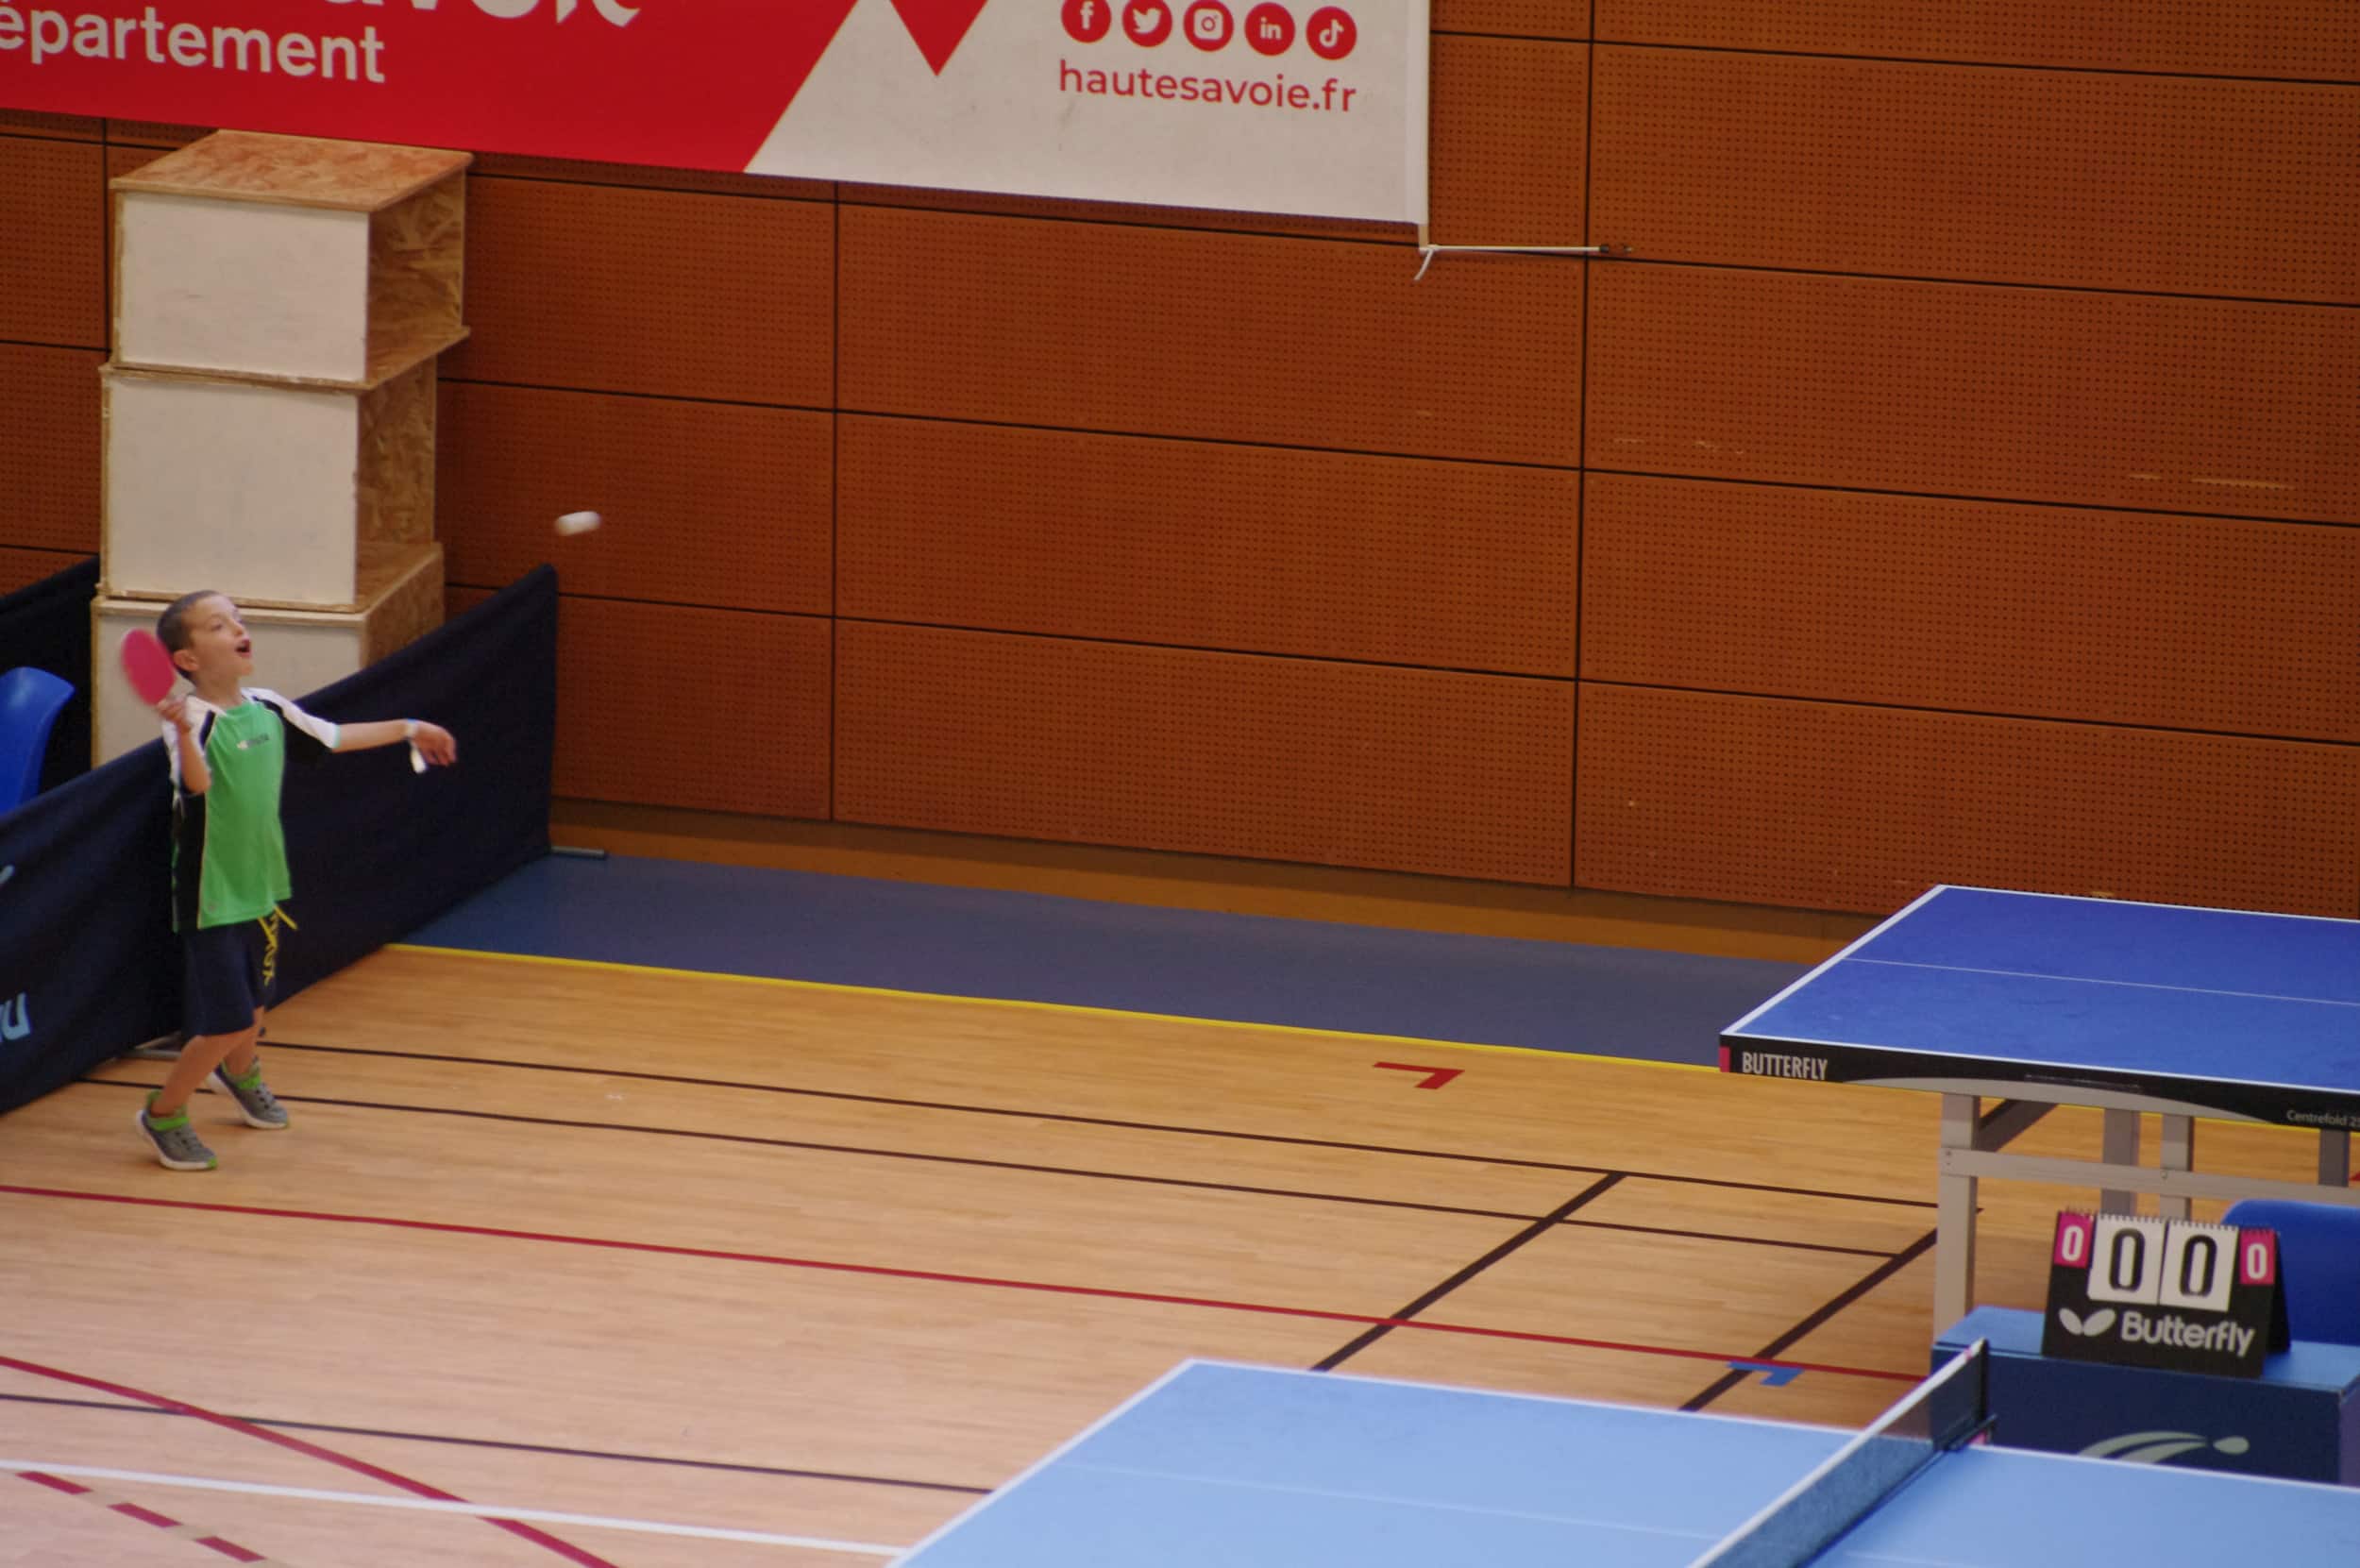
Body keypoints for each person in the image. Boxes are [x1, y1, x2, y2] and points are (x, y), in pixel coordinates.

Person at [135, 590, 457, 1171]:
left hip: (264, 883)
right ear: (188, 659)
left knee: (257, 1007)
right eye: (219, 624)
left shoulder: (268, 707)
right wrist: (180, 733)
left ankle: (239, 1075)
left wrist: (410, 728)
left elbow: (334, 737)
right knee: (229, 1020)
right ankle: (163, 1114)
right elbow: (196, 788)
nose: (238, 628)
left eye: (237, 619)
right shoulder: (193, 720)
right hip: (212, 895)